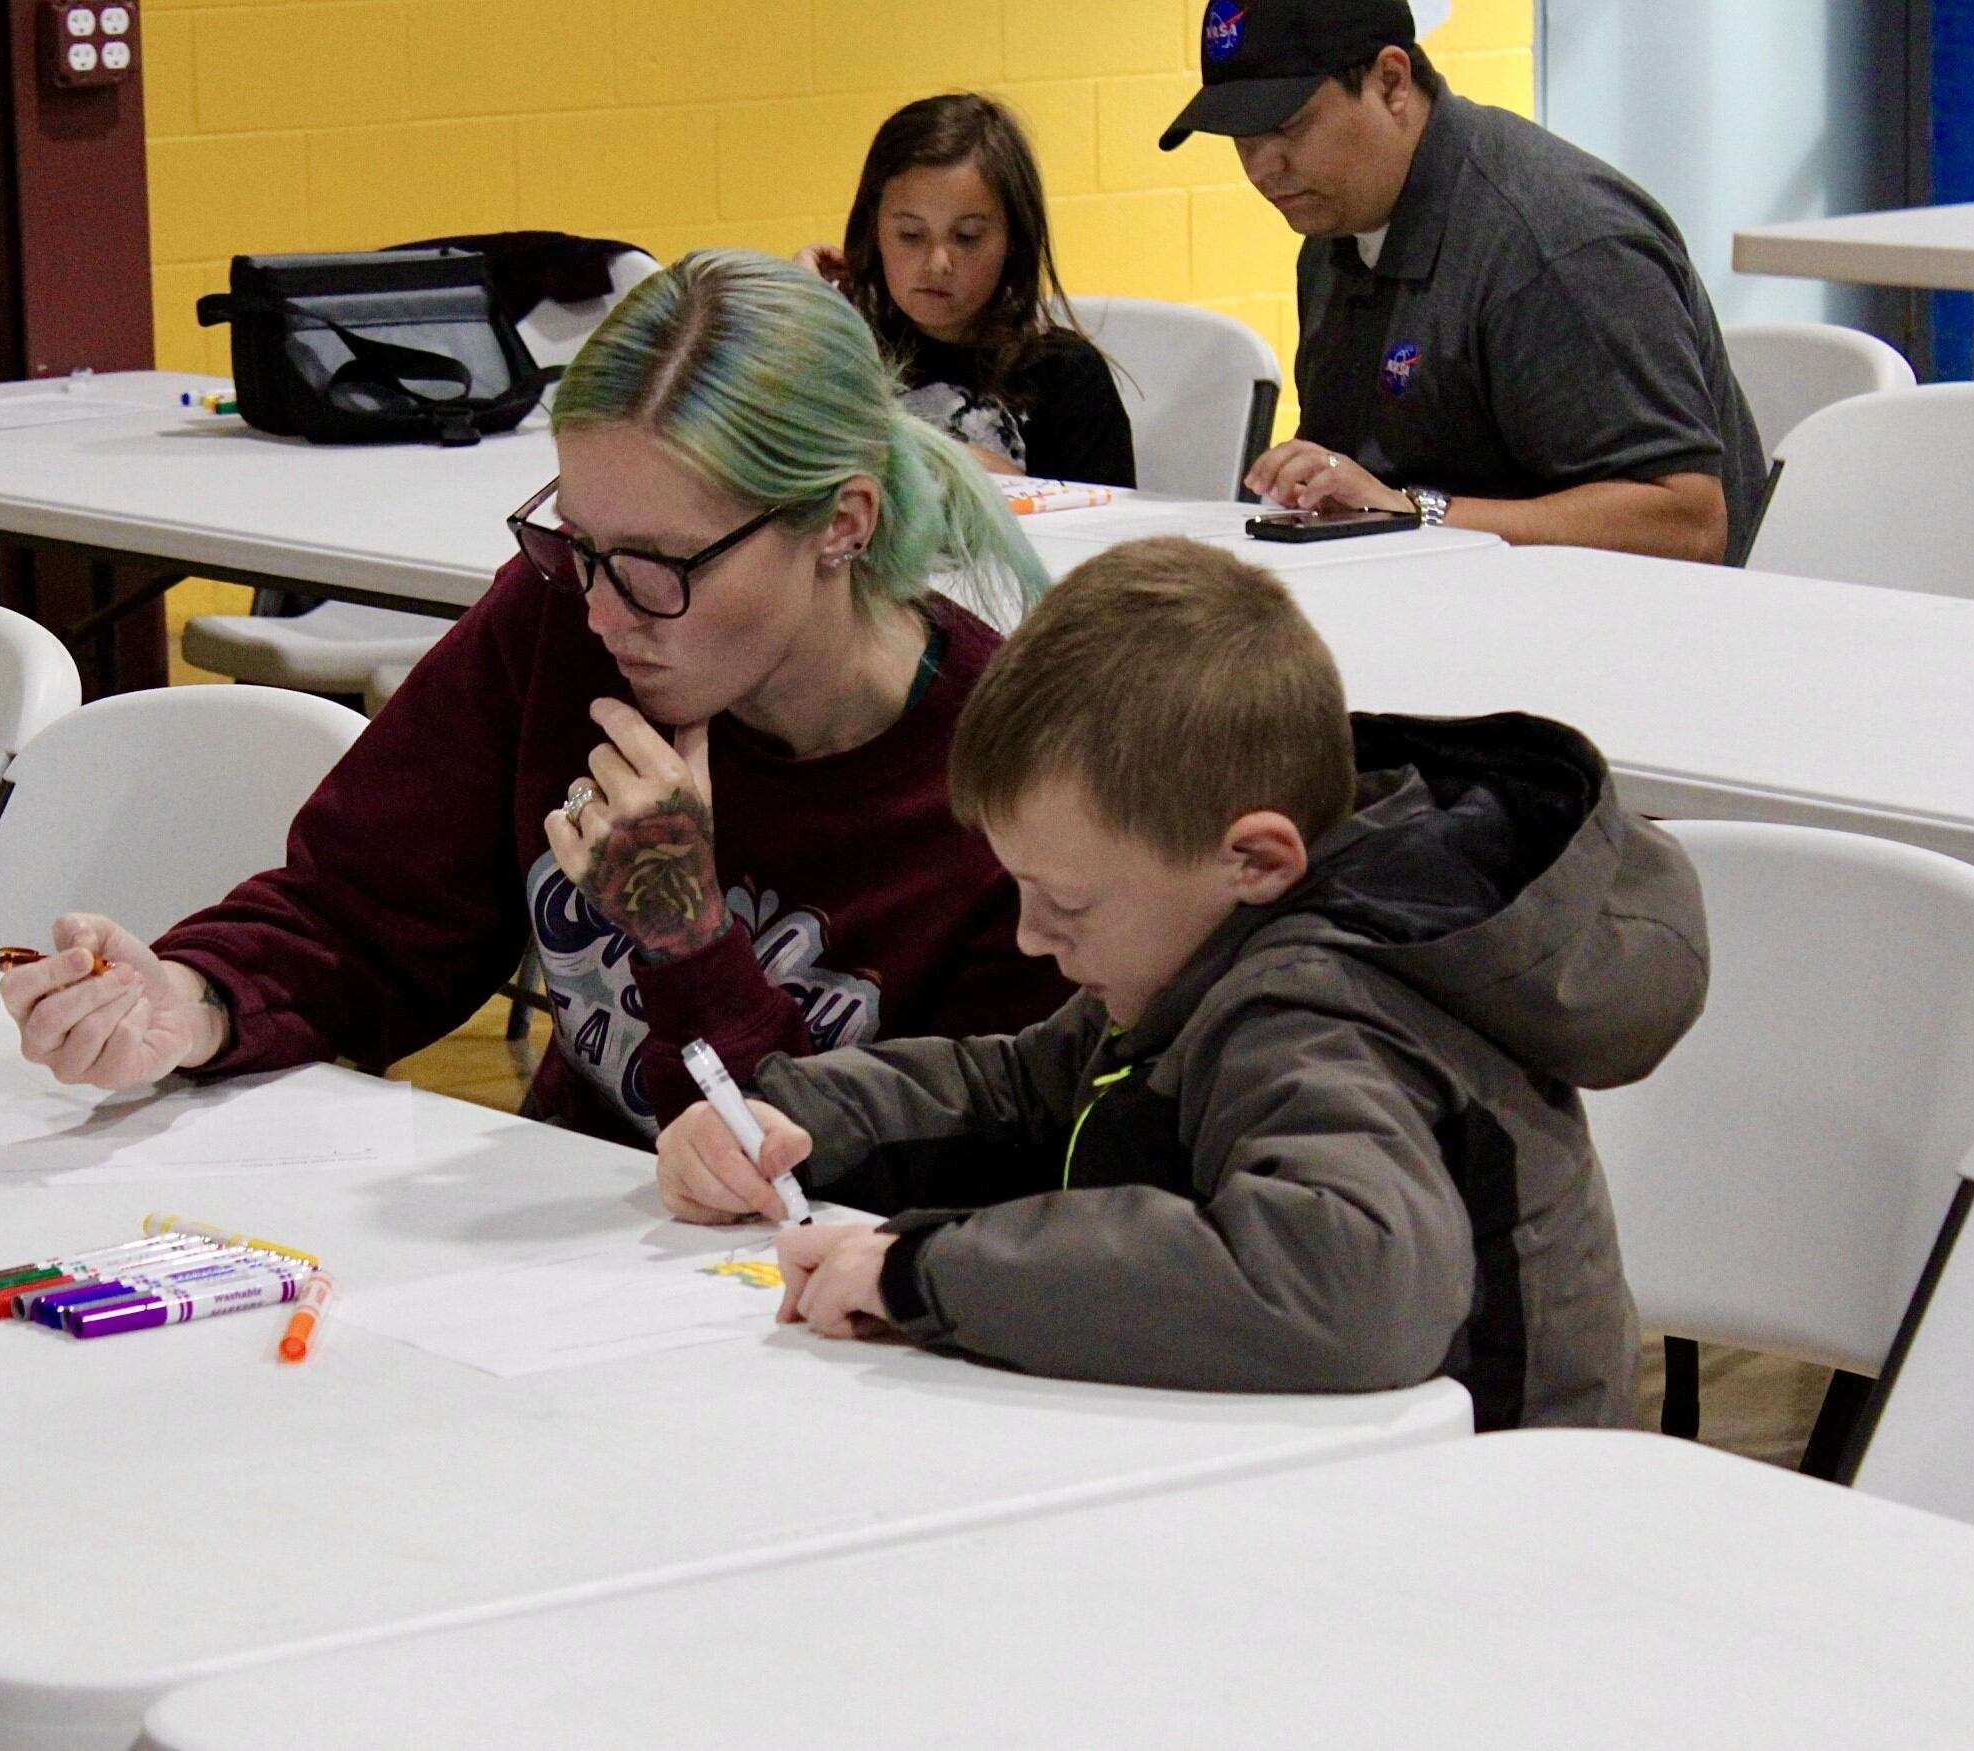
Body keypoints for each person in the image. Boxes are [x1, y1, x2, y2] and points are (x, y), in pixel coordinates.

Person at [0, 249, 1074, 1144]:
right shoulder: (561, 615)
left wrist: (689, 941)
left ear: (842, 522)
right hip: (569, 1250)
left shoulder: (1012, 791)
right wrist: (195, 1000)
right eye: (579, 542)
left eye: (660, 562)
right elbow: (365, 910)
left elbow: (914, 1190)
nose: (606, 612)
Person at [655, 536, 1710, 1427]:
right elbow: (1023, 1091)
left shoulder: (1315, 1013)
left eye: (1064, 905)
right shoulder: (1213, 946)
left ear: (1252, 858)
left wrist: (925, 1271)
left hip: (1465, 1525)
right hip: (1313, 1466)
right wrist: (787, 1114)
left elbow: (1346, 1282)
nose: (1029, 937)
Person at [1160, 0, 1765, 565]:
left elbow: (1686, 523)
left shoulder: (1553, 246)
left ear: (1391, 83)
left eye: (1289, 126)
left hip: (1634, 636)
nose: (1263, 168)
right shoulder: (1335, 231)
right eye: (1241, 137)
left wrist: (1418, 513)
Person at [797, 93, 1136, 489]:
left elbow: (1105, 535)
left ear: (1013, 238)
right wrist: (804, 316)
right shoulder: (846, 350)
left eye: (967, 237)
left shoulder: (1067, 377)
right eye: (909, 235)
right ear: (875, 231)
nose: (938, 262)